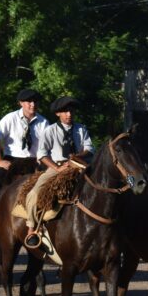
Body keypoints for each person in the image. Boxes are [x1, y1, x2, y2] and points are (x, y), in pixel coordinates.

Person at [24, 96, 93, 248]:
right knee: (34, 194)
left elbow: (89, 148)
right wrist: (57, 168)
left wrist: (77, 157)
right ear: (58, 114)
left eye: (71, 111)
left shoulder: (81, 129)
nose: (69, 114)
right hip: (57, 166)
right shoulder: (50, 131)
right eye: (65, 111)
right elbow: (42, 154)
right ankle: (31, 228)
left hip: (80, 166)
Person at [0, 89, 49, 203]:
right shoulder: (10, 118)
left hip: (35, 162)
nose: (33, 104)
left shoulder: (44, 122)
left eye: (35, 101)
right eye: (29, 101)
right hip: (12, 161)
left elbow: (48, 146)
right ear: (21, 103)